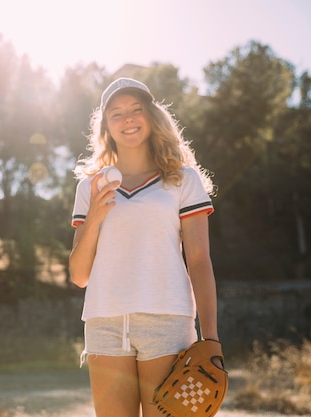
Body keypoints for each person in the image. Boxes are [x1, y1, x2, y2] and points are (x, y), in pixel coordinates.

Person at [69, 77, 220, 417]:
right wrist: (94, 215)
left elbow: (199, 260)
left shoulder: (182, 179)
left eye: (136, 110)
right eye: (117, 113)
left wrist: (210, 338)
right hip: (104, 323)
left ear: (152, 116)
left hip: (166, 320)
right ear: (106, 126)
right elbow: (79, 275)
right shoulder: (89, 187)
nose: (128, 119)